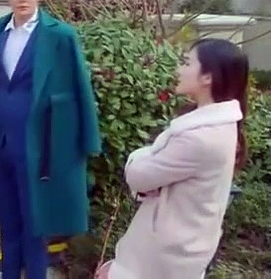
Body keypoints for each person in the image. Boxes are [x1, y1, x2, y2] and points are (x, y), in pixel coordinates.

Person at [0, 0, 102, 279]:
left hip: (38, 146)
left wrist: (87, 143)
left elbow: (79, 89)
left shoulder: (60, 35)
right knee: (7, 224)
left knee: (35, 225)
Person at [96, 38, 249, 279]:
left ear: (207, 77)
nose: (179, 70)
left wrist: (139, 156)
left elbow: (138, 176)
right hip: (180, 250)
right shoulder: (215, 126)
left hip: (162, 257)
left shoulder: (200, 137)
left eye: (187, 63)